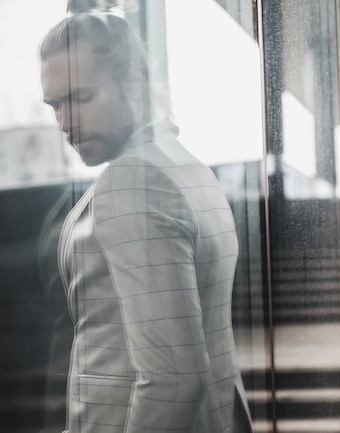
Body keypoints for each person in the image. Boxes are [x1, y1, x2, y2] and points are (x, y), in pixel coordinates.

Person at [39, 7, 252, 433]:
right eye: (55, 105)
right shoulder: (187, 167)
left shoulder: (132, 181)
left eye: (81, 98)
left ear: (134, 82)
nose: (65, 122)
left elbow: (173, 377)